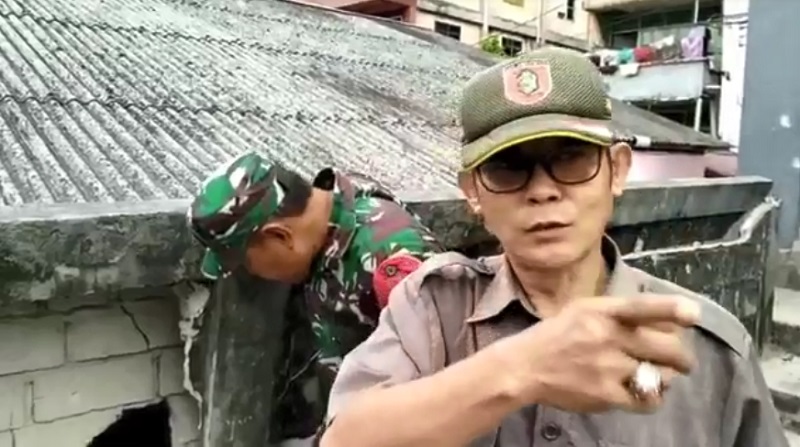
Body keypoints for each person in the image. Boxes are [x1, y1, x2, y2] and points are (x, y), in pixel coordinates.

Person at [319, 47, 788, 447]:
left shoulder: (710, 348)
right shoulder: (433, 309)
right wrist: (523, 367)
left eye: (571, 158)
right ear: (474, 192)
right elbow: (344, 438)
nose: (542, 191)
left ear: (618, 171)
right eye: (507, 167)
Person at [186, 153, 443, 443]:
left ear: (280, 237)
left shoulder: (390, 255)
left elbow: (448, 398)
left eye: (245, 262)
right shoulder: (323, 232)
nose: (252, 273)